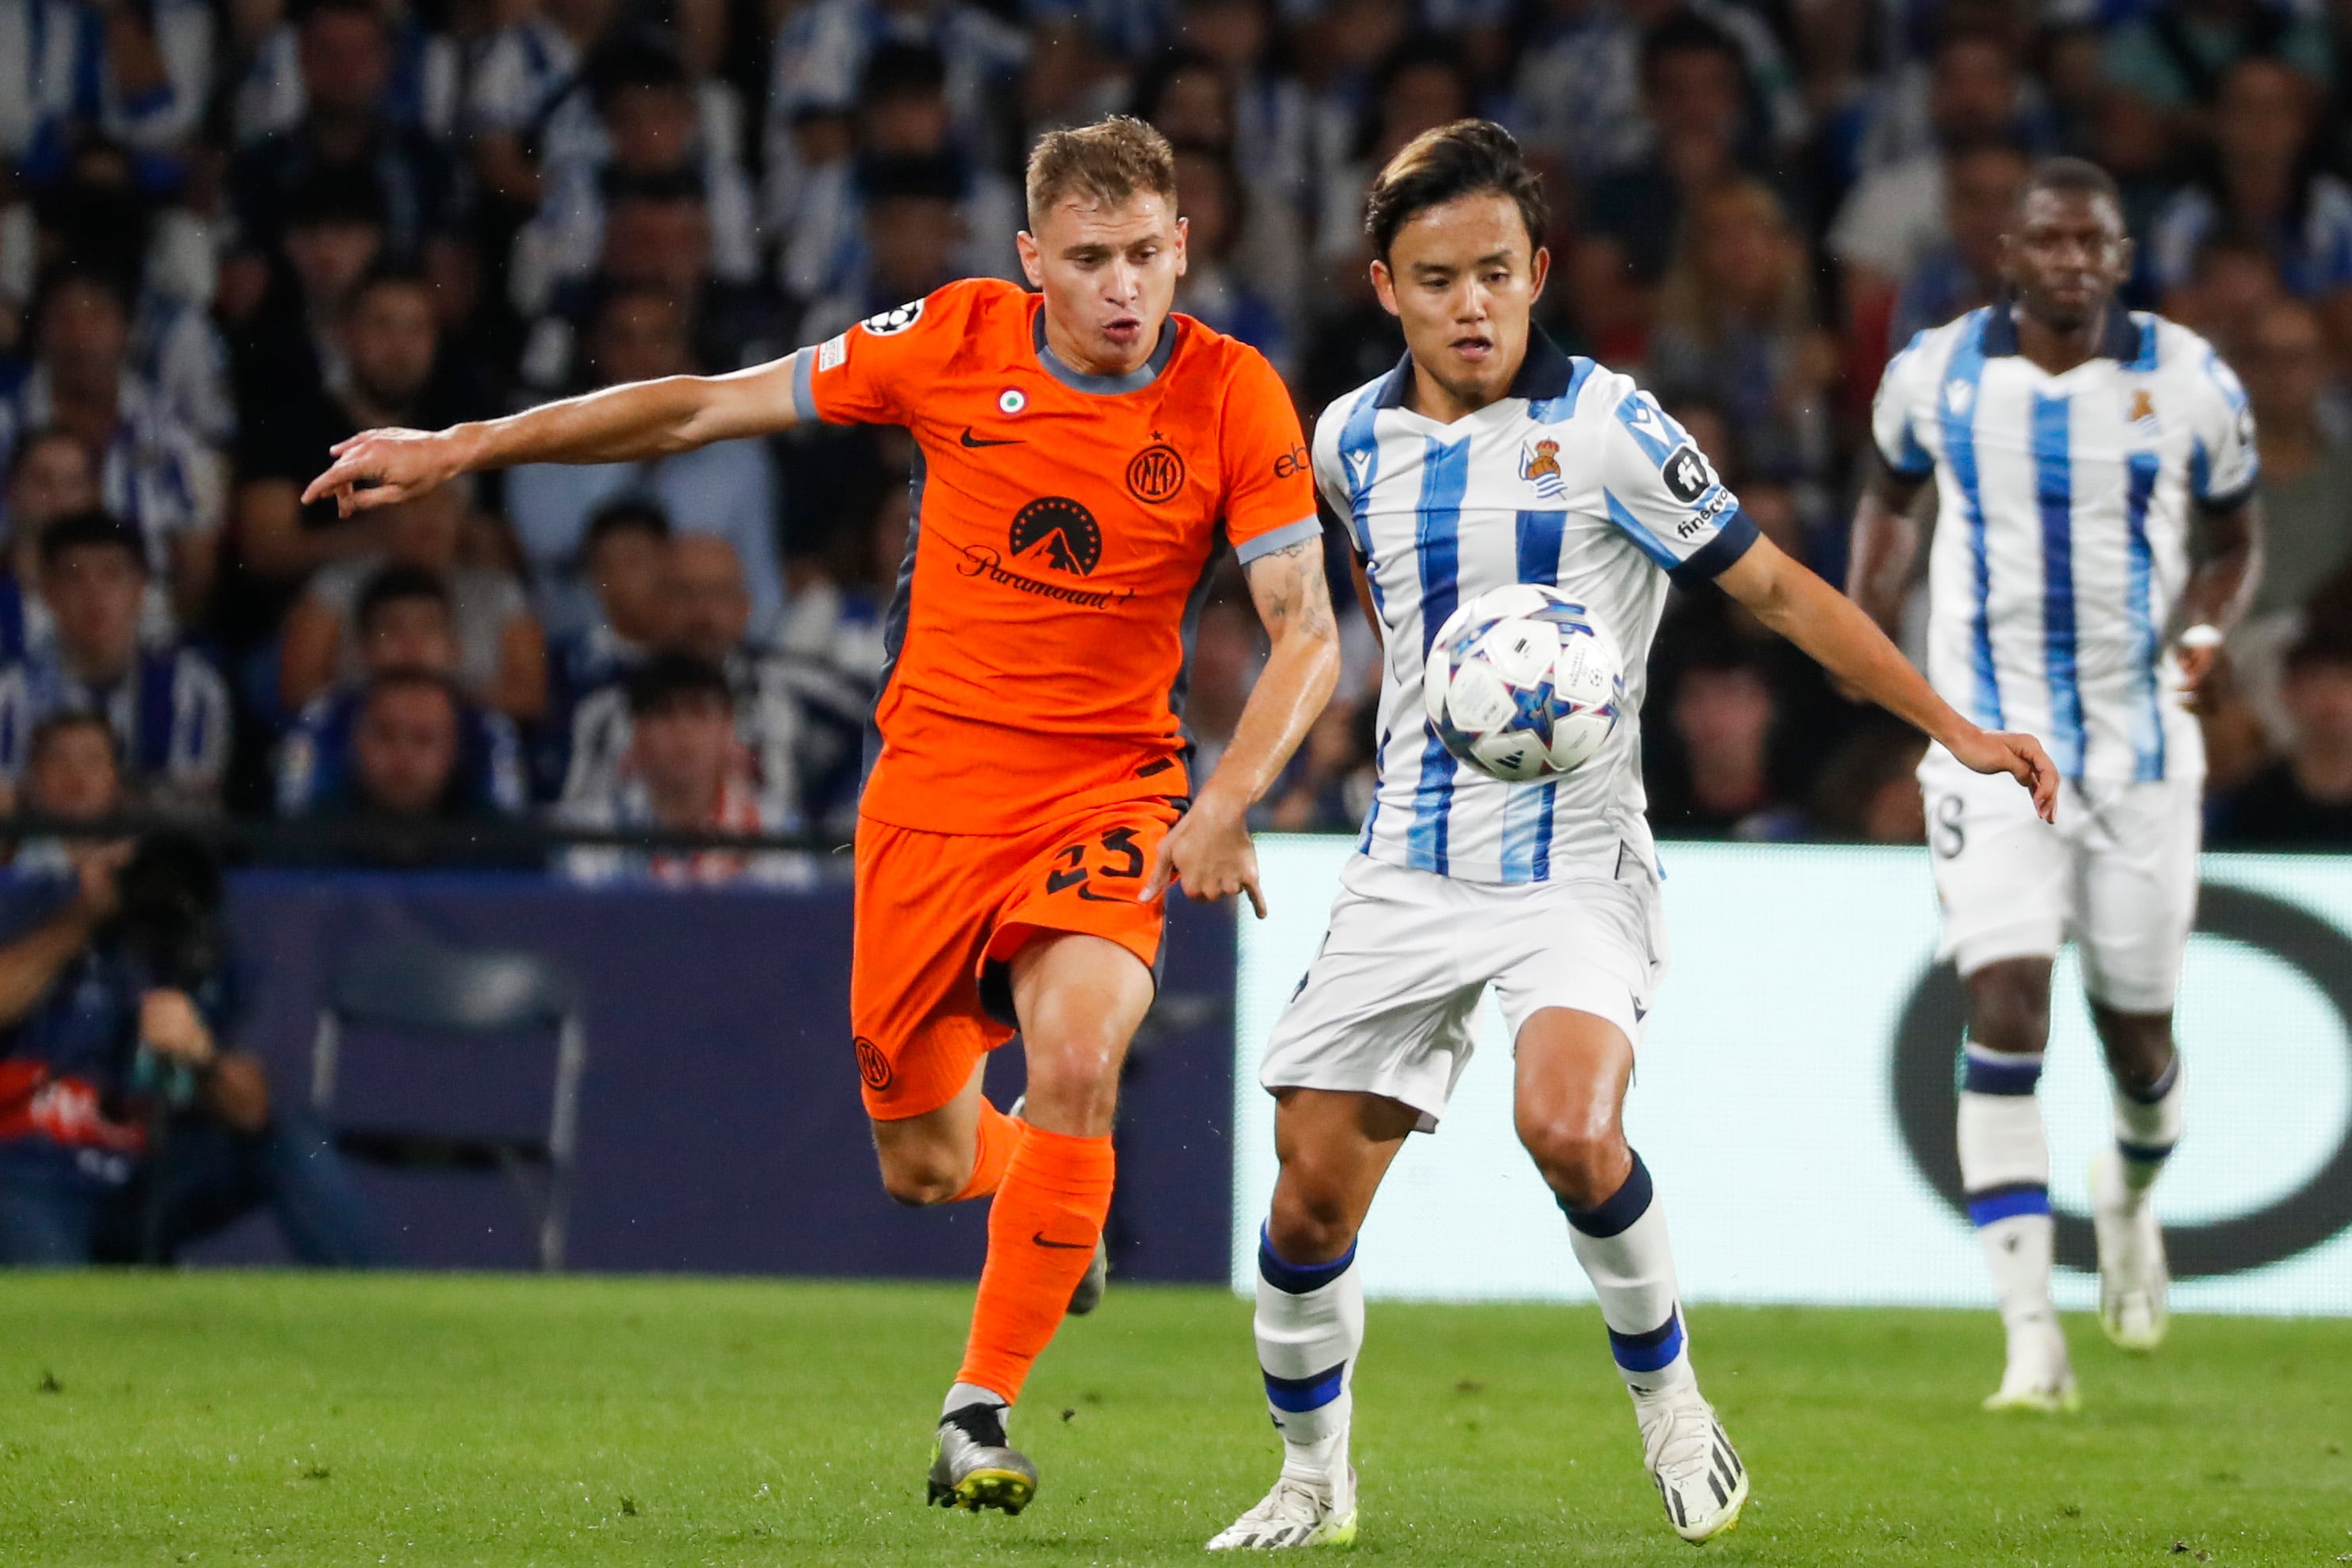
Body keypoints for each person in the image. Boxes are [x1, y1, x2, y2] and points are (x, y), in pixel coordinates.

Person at [302, 113, 1340, 1516]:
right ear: (1032, 258)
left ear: (1181, 247)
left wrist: (1224, 802)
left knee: (1079, 1047)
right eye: (1088, 258)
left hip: (1110, 789)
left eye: (1146, 255)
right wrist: (464, 445)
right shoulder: (950, 342)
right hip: (926, 802)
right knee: (921, 1160)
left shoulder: (1232, 397)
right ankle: (1049, 1185)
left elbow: (1304, 633)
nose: (1120, 289)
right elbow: (696, 406)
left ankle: (978, 1407)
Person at [1209, 120, 2051, 1552]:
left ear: (1538, 270)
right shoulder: (1346, 442)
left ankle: (1671, 1411)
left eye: (1491, 271)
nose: (1467, 304)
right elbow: (1346, 631)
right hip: (1406, 861)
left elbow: (1777, 590)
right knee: (1301, 1206)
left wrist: (1947, 724)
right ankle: (1309, 1480)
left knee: (1565, 1123)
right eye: (1433, 280)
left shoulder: (1608, 427)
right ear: (1381, 286)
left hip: (1574, 868)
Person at [1848, 157, 2263, 1408]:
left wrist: (2204, 628)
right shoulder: (1936, 374)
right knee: (2009, 1006)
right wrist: (1870, 625)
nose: (2074, 259)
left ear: (2122, 257)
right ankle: (2031, 1335)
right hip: (1988, 747)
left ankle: (2129, 1201)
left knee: (2140, 1046)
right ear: (2011, 256)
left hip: (2140, 757)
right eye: (2052, 240)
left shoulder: (2190, 380)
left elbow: (2236, 541)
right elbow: (1886, 504)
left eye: (2096, 241)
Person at [0, 715, 386, 1266]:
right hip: (30, 1169)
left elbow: (250, 1107)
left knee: (291, 1136)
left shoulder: (202, 938)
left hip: (150, 1171)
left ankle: (397, 1315)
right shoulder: (26, 900)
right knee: (53, 1310)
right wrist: (79, 920)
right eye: (57, 762)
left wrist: (198, 1054)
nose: (75, 779)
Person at [0, 511, 232, 813]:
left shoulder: (192, 689)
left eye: (112, 574)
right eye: (74, 576)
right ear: (48, 592)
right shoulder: (11, 695)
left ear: (140, 588)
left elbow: (195, 809)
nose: (94, 594)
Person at [275, 567, 528, 819]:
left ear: (454, 646)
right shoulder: (322, 717)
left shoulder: (488, 726)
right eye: (392, 628)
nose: (411, 644)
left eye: (427, 627)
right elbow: (293, 822)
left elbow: (507, 830)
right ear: (364, 647)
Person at [557, 653, 802, 886]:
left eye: (700, 714)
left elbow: (796, 924)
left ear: (729, 730)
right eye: (665, 714)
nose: (683, 732)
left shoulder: (776, 828)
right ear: (637, 732)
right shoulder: (589, 828)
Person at [2209, 629, 2352, 844]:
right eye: (2316, 683)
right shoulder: (2253, 799)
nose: (2331, 700)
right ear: (2288, 693)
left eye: (2344, 684)